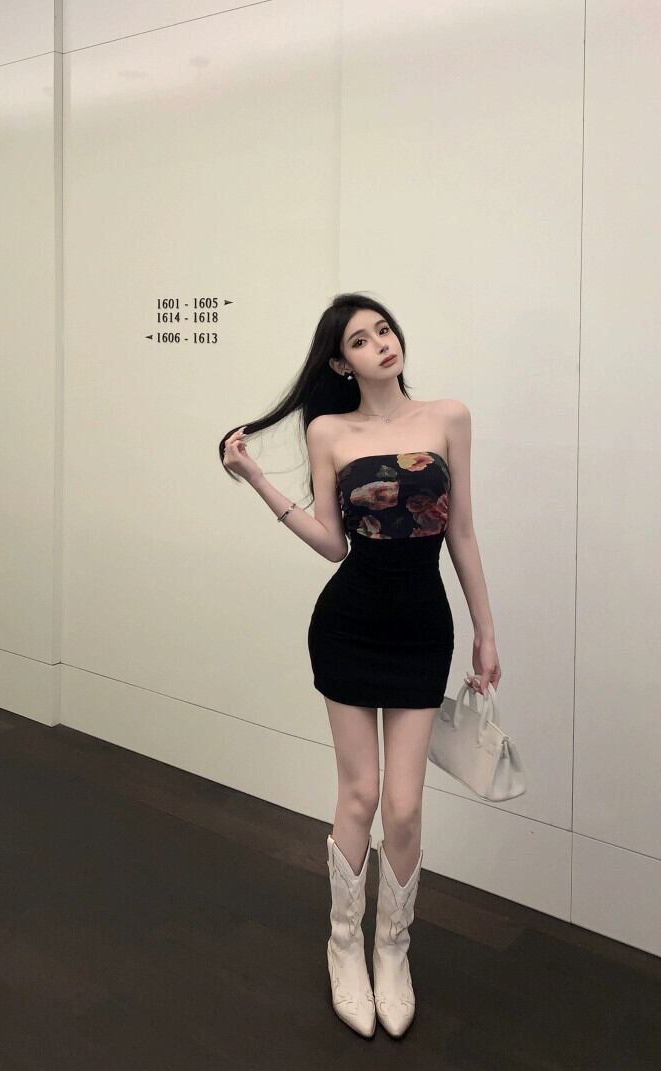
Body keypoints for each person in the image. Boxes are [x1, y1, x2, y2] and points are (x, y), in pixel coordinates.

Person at [219, 292, 500, 1040]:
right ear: (342, 363)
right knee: (360, 795)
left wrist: (486, 631)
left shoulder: (448, 417)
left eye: (384, 329)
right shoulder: (329, 431)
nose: (381, 342)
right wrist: (258, 480)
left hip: (422, 630)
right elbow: (334, 543)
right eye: (361, 339)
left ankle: (392, 949)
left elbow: (462, 532)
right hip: (348, 627)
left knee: (404, 806)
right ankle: (345, 945)